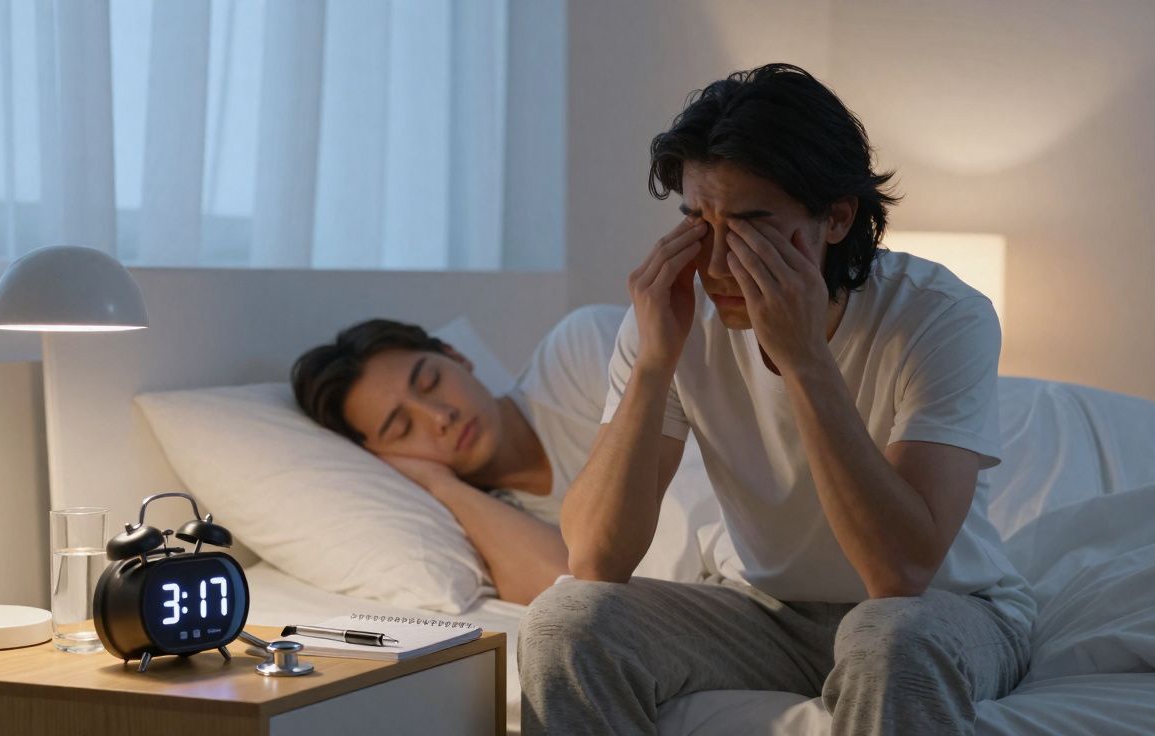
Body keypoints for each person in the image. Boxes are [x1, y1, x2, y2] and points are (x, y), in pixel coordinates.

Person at [519, 63, 1035, 735]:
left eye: (753, 224)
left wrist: (806, 360)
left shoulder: (942, 317)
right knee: (565, 621)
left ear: (836, 218)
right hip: (762, 612)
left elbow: (901, 570)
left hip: (940, 609)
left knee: (891, 640)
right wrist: (653, 364)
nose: (718, 263)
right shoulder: (677, 316)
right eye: (699, 222)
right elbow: (595, 558)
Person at [290, 305, 625, 605]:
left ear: (456, 356)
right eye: (402, 428)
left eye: (431, 381)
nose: (439, 416)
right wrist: (442, 486)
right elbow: (583, 599)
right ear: (385, 458)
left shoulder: (583, 350)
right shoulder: (489, 530)